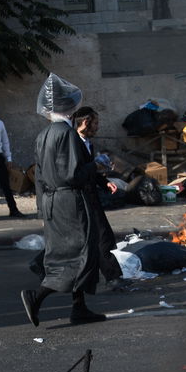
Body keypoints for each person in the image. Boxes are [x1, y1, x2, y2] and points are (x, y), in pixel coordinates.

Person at [19, 75, 109, 327]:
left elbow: (38, 175)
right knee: (81, 251)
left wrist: (41, 209)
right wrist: (96, 166)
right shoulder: (67, 134)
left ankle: (78, 307)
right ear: (67, 107)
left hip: (51, 202)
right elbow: (73, 174)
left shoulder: (43, 134)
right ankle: (37, 296)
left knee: (69, 252)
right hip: (70, 201)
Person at [74, 106, 124, 286]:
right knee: (102, 236)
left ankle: (111, 276)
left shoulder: (88, 142)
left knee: (95, 237)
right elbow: (76, 172)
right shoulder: (73, 143)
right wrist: (95, 165)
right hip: (80, 197)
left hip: (90, 195)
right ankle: (113, 277)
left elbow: (92, 171)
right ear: (86, 122)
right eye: (95, 123)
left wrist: (104, 182)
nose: (97, 127)